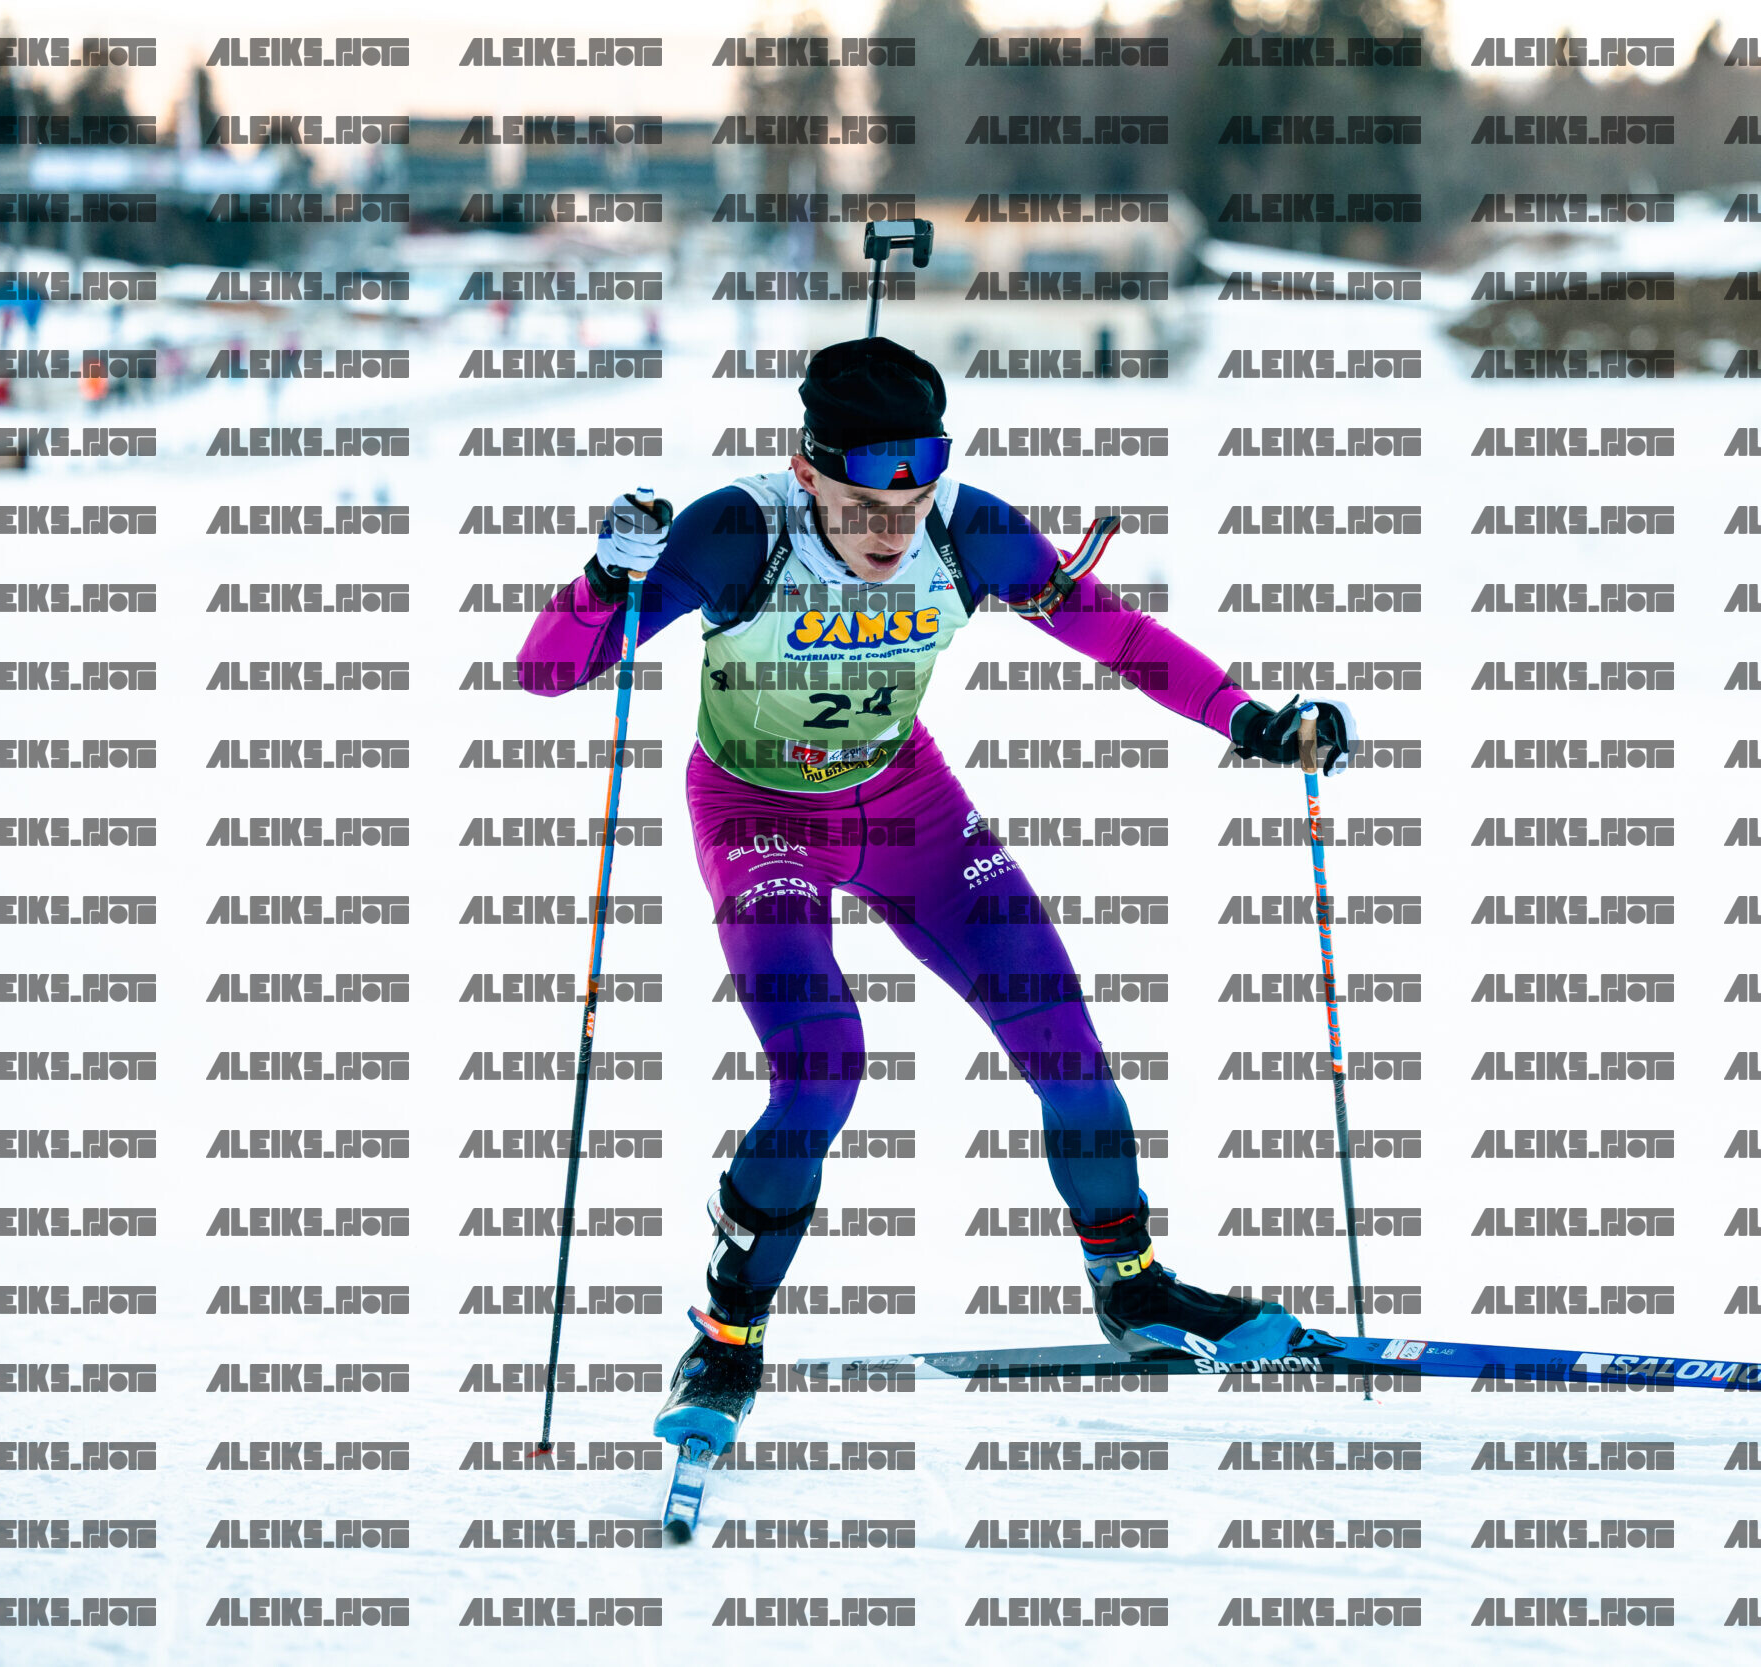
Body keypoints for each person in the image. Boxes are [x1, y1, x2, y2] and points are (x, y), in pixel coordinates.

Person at [515, 337, 1359, 1452]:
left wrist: (1250, 720)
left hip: (906, 803)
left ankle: (1133, 1283)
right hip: (760, 815)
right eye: (865, 508)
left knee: (1060, 1034)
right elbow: (548, 670)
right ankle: (725, 1336)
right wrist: (603, 579)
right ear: (806, 470)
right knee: (822, 1066)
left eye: (909, 508)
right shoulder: (738, 532)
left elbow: (1115, 633)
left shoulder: (969, 529)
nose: (891, 533)